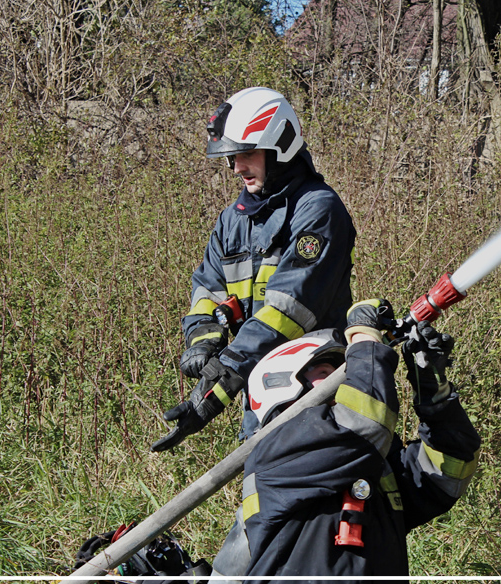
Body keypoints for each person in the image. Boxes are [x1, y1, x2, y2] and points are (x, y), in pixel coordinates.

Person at [209, 298, 482, 581]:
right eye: (326, 373)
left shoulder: (367, 464)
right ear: (282, 385)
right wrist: (362, 336)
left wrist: (433, 394)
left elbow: (447, 474)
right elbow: (364, 422)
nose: (343, 381)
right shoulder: (277, 453)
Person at [151, 87, 356, 452]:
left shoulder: (318, 212)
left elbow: (288, 309)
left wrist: (225, 374)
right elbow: (208, 291)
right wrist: (204, 337)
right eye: (231, 157)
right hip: (260, 399)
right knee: (260, 505)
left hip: (317, 397)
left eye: (246, 153)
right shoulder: (232, 222)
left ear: (279, 146)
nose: (236, 167)